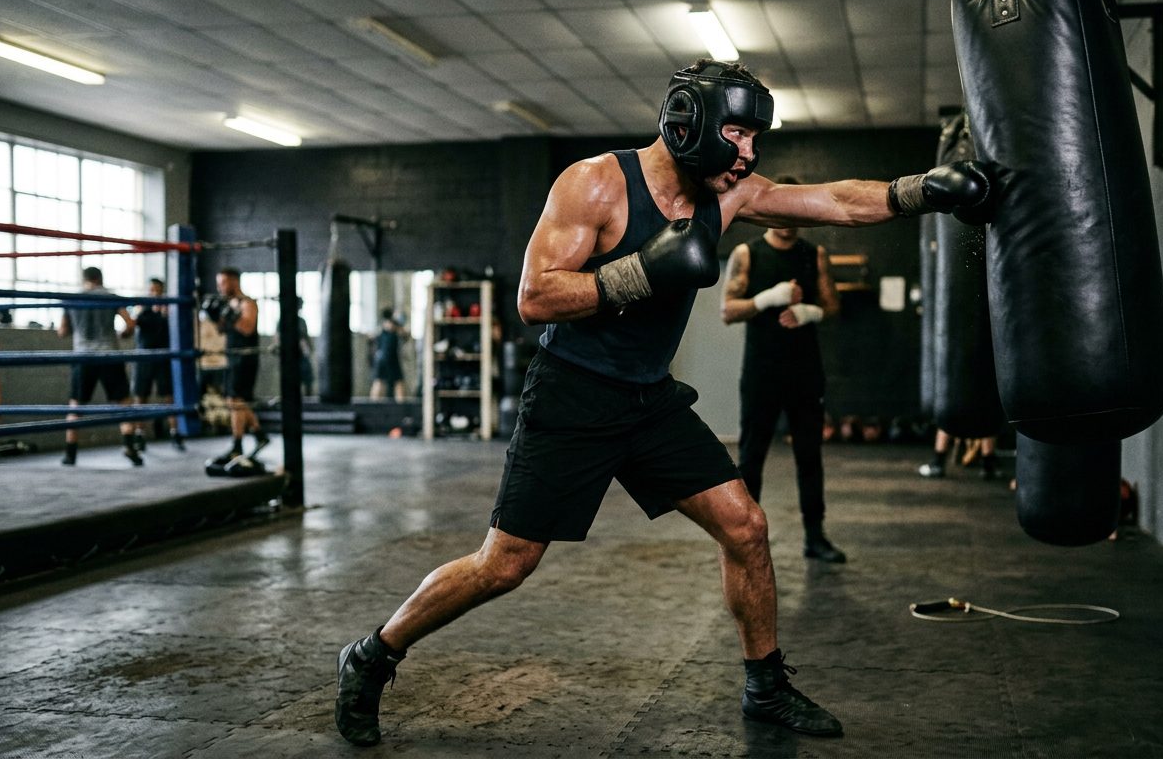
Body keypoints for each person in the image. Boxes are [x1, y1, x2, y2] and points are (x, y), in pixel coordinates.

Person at [334, 59, 996, 747]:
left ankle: (765, 686)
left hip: (650, 400)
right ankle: (373, 654)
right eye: (737, 135)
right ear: (690, 122)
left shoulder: (729, 196)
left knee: (745, 527)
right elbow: (535, 297)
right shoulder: (595, 183)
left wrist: (923, 190)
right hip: (572, 394)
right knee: (505, 564)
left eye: (754, 139)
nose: (749, 155)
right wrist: (639, 272)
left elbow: (834, 202)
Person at [722, 182, 846, 562]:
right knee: (751, 456)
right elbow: (728, 311)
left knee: (809, 455)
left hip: (805, 371)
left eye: (795, 213)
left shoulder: (814, 255)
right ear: (770, 212)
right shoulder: (748, 254)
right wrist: (767, 298)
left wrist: (811, 312)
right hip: (761, 370)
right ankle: (744, 539)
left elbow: (833, 306)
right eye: (782, 213)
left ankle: (815, 537)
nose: (788, 221)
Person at [58, 266, 139, 466]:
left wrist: (79, 326)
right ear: (100, 279)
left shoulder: (72, 299)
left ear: (84, 279)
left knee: (75, 406)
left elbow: (62, 331)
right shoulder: (111, 297)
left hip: (83, 355)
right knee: (124, 403)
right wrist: (123, 334)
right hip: (108, 354)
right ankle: (129, 446)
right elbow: (130, 324)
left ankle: (70, 454)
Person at [203, 267, 267, 466]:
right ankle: (259, 435)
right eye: (218, 283)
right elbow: (222, 330)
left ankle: (237, 445)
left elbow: (247, 328)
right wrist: (215, 316)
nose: (220, 287)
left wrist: (230, 315)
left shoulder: (247, 302)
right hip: (232, 356)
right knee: (235, 399)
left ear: (234, 281)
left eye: (223, 283)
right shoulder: (229, 303)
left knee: (236, 399)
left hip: (246, 357)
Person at [132, 278, 184, 451]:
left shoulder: (169, 308)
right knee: (141, 396)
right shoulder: (141, 308)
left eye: (157, 290)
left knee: (169, 396)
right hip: (144, 357)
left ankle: (175, 432)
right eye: (151, 290)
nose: (154, 293)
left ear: (162, 291)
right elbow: (130, 327)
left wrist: (167, 313)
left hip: (164, 357)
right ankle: (139, 434)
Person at [369, 307, 406, 400]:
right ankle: (374, 403)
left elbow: (404, 334)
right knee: (391, 381)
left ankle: (401, 404)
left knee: (391, 381)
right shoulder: (388, 324)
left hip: (386, 356)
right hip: (386, 356)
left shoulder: (392, 325)